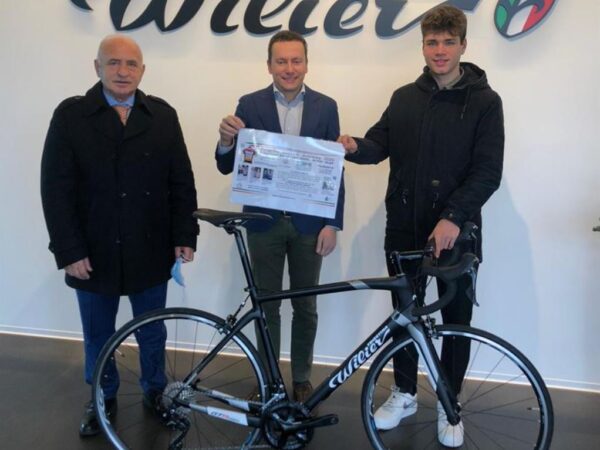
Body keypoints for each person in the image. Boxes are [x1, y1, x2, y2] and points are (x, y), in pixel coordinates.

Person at [339, 5, 504, 447]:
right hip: (404, 228)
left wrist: (453, 217)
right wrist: (354, 146)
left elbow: (488, 172)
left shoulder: (486, 102)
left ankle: (450, 404)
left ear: (463, 45)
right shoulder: (403, 97)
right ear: (423, 46)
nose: (440, 50)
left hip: (456, 232)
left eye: (448, 42)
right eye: (432, 42)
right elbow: (379, 145)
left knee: (456, 319)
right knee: (404, 315)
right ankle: (405, 393)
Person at [40, 34, 199, 437]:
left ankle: (155, 392)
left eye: (131, 64)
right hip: (92, 250)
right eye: (113, 63)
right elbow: (55, 190)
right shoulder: (71, 116)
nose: (122, 71)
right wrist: (68, 250)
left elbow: (181, 180)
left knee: (152, 331)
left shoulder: (162, 115)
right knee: (98, 334)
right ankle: (102, 397)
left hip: (151, 245)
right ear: (97, 68)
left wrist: (185, 233)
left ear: (143, 71)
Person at [215, 30, 344, 403]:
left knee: (306, 306)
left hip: (309, 224)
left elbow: (335, 169)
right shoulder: (249, 103)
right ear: (269, 65)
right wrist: (225, 141)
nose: (289, 68)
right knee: (266, 305)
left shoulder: (326, 107)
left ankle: (301, 379)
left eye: (296, 60)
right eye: (281, 61)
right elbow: (227, 165)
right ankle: (269, 378)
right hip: (263, 222)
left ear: (306, 64)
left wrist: (332, 222)